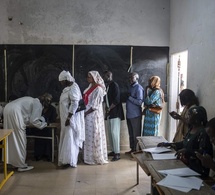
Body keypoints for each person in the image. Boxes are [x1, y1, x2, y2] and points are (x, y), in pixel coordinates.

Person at [158, 106, 213, 177]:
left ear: (197, 118)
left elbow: (204, 152)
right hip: (186, 166)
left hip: (197, 171)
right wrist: (170, 144)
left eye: (189, 115)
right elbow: (184, 143)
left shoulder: (203, 132)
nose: (187, 117)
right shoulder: (192, 129)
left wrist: (187, 151)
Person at [3, 94, 48, 171]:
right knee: (21, 139)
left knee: (10, 137)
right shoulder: (38, 104)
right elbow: (33, 120)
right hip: (15, 112)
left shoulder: (31, 99)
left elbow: (28, 117)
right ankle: (21, 166)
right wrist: (44, 124)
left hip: (7, 108)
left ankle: (12, 162)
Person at [58, 70, 85, 168]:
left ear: (66, 80)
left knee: (70, 139)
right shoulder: (68, 88)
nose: (61, 83)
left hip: (70, 119)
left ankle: (69, 161)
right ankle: (66, 159)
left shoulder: (73, 88)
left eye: (61, 81)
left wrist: (69, 117)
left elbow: (75, 103)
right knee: (67, 138)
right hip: (65, 118)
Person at [83, 70, 108, 165]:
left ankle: (93, 157)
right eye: (87, 76)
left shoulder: (98, 89)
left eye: (89, 77)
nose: (87, 78)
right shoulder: (90, 86)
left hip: (93, 115)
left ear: (94, 77)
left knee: (93, 134)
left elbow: (95, 106)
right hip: (87, 114)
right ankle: (87, 157)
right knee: (88, 136)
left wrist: (85, 113)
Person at [27, 93, 57, 161]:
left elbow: (53, 120)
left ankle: (48, 155)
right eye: (47, 101)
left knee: (49, 135)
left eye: (49, 101)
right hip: (39, 128)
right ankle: (38, 154)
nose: (48, 103)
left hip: (48, 128)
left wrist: (46, 121)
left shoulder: (53, 109)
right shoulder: (38, 107)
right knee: (39, 134)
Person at [103, 70, 125, 161]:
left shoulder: (114, 85)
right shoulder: (106, 86)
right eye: (105, 76)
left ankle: (117, 153)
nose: (106, 77)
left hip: (115, 112)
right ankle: (113, 150)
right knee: (110, 132)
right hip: (109, 112)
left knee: (114, 133)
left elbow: (116, 100)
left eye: (108, 75)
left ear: (110, 76)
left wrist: (109, 108)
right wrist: (106, 110)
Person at [125, 72, 144, 154]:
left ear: (136, 78)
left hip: (135, 115)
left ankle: (137, 150)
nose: (130, 79)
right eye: (129, 77)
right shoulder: (130, 87)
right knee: (131, 133)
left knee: (136, 134)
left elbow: (140, 102)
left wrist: (130, 97)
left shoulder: (138, 88)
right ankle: (132, 149)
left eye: (132, 77)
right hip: (129, 114)